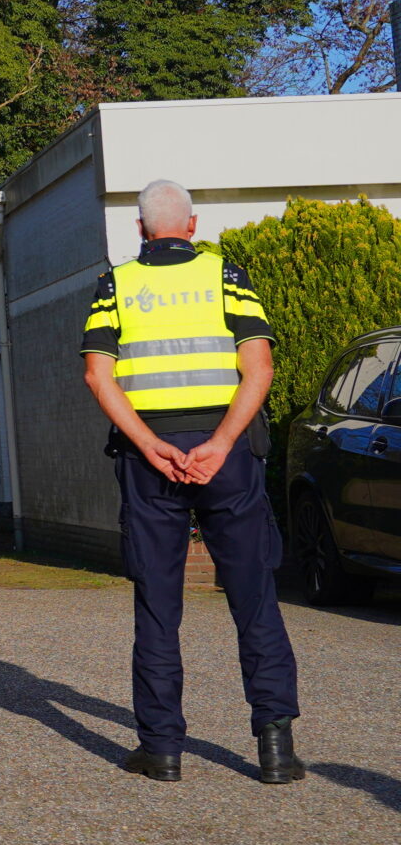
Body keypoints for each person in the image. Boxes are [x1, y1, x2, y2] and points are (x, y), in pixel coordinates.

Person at [82, 179, 302, 784]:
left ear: (140, 229)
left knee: (157, 605)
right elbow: (259, 369)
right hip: (225, 454)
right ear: (194, 225)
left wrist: (151, 445)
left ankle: (161, 749)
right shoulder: (228, 277)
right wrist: (223, 443)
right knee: (254, 596)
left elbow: (99, 377)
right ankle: (275, 747)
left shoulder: (117, 284)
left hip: (149, 457)